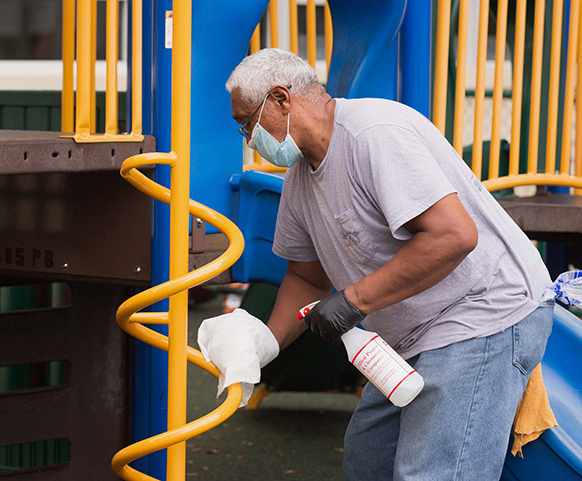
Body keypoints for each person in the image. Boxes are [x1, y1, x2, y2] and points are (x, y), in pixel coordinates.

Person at [223, 48, 554, 480]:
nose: (249, 138)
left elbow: (454, 235)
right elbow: (308, 275)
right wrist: (266, 344)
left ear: (282, 99)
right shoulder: (301, 180)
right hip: (409, 335)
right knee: (368, 463)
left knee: (433, 474)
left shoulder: (372, 133)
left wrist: (354, 300)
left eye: (248, 122)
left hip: (482, 312)